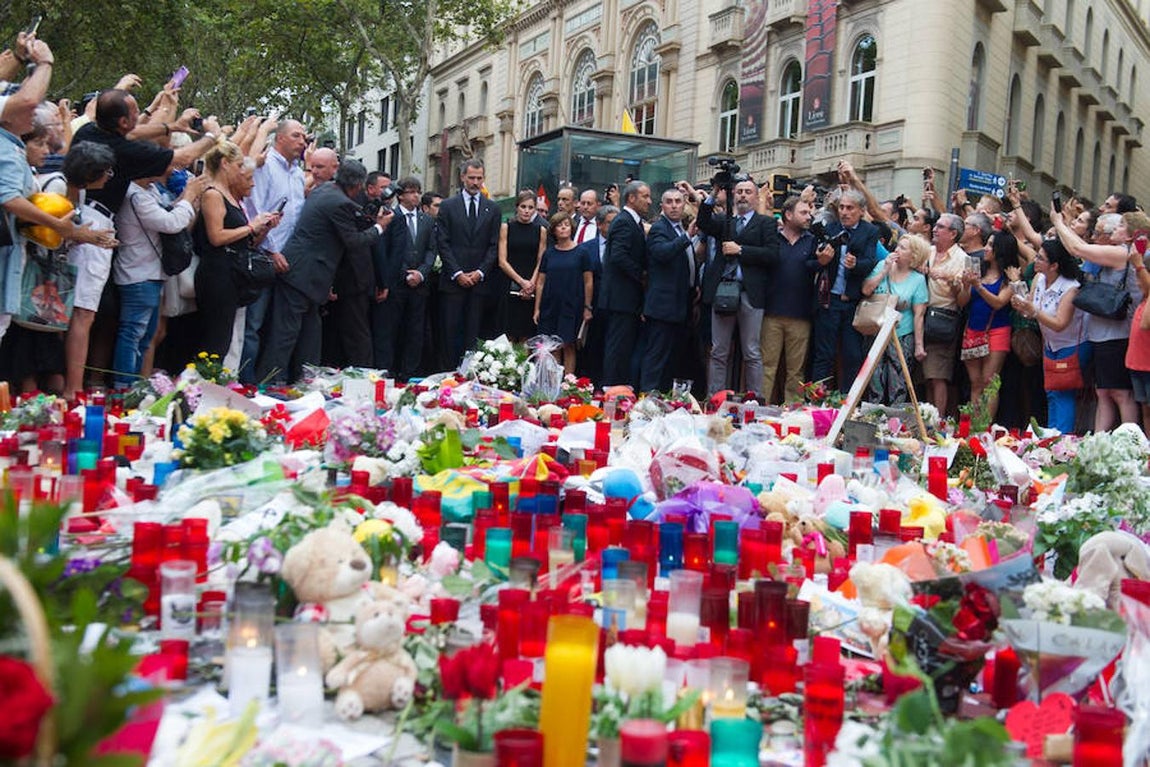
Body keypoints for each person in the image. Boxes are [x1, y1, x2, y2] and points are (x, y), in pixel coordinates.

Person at [257, 159, 390, 383]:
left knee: (310, 335)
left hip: (310, 275)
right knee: (285, 335)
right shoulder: (339, 202)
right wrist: (380, 227)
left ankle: (307, 381)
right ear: (358, 185)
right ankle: (268, 383)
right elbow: (353, 241)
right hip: (302, 273)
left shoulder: (324, 190)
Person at [1052, 207, 1150, 431]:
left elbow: (1078, 249)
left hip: (1117, 334)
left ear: (1132, 234)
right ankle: (1099, 438)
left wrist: (1058, 222)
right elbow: (1081, 247)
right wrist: (1065, 227)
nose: (1115, 228)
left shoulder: (1123, 253)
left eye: (1122, 225)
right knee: (1104, 392)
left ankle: (1129, 439)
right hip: (1104, 333)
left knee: (1120, 394)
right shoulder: (1119, 251)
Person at [112, 168, 207, 388]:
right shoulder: (135, 195)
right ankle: (123, 386)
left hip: (152, 273)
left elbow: (168, 212)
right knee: (133, 333)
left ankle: (136, 387)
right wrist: (189, 196)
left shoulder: (149, 190)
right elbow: (170, 223)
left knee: (146, 336)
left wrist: (186, 199)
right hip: (138, 273)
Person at [194, 142, 281, 359]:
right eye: (239, 165)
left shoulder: (230, 195)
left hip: (232, 271)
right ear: (225, 164)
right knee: (215, 339)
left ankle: (213, 377)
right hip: (216, 272)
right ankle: (204, 378)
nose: (242, 171)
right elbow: (216, 236)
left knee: (223, 339)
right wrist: (251, 226)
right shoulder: (213, 194)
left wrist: (263, 228)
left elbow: (243, 240)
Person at [692, 177, 775, 396]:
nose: (743, 196)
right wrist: (713, 193)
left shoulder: (765, 223)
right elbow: (703, 222)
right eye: (739, 192)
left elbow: (773, 254)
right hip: (723, 291)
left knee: (751, 351)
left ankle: (754, 399)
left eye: (748, 192)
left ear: (756, 197)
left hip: (750, 293)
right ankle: (715, 398)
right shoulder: (724, 221)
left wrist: (741, 250)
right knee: (718, 350)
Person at [239, 118, 307, 383]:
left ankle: (271, 381)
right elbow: (254, 209)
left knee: (278, 327)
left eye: (304, 137)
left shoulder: (298, 173)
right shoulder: (265, 165)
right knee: (253, 325)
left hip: (291, 261)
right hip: (262, 256)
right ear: (279, 138)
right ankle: (245, 382)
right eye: (296, 136)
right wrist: (271, 250)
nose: (302, 142)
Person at [808, 189, 878, 390]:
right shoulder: (828, 229)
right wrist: (822, 262)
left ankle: (848, 401)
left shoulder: (869, 231)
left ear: (861, 211)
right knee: (824, 354)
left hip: (852, 303)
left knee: (852, 355)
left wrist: (855, 264)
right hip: (827, 301)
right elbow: (809, 263)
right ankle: (817, 399)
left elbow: (870, 262)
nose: (845, 212)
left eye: (850, 208)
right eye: (841, 207)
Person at [1011, 238, 1083, 433]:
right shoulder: (1040, 279)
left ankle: (1063, 438)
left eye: (1041, 258)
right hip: (1049, 344)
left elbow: (1059, 323)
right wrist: (1022, 307)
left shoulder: (1070, 288)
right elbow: (1032, 308)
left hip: (1070, 345)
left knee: (1063, 392)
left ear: (1054, 265)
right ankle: (1051, 436)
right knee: (1051, 391)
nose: (1035, 261)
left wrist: (1033, 311)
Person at [436, 159, 501, 366]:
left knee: (473, 334)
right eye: (471, 178)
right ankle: (448, 374)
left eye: (479, 178)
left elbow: (494, 245)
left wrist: (480, 272)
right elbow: (442, 242)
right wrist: (457, 273)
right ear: (462, 177)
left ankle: (469, 373)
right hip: (453, 282)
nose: (475, 182)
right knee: (449, 332)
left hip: (479, 283)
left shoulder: (493, 208)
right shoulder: (448, 206)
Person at [374, 175, 436, 380]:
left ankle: (410, 371)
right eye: (411, 192)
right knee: (392, 328)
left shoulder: (427, 220)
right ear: (400, 195)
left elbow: (431, 250)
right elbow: (389, 250)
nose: (416, 196)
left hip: (420, 285)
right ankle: (390, 370)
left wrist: (422, 272)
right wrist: (404, 273)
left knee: (415, 330)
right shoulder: (390, 217)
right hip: (396, 283)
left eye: (418, 192)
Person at [860, 234, 930, 404]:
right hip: (876, 332)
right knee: (874, 378)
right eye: (897, 246)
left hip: (901, 335)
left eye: (903, 248)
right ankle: (873, 413)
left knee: (898, 382)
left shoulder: (918, 279)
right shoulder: (881, 266)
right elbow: (866, 290)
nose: (897, 250)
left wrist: (919, 345)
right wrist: (884, 270)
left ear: (914, 255)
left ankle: (895, 416)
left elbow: (919, 315)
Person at [639, 187, 696, 393]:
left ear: (684, 204)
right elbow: (662, 253)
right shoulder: (659, 228)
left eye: (678, 201)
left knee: (671, 358)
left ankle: (662, 397)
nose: (674, 206)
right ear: (662, 206)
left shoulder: (680, 229)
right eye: (669, 202)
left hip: (681, 303)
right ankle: (647, 396)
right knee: (656, 355)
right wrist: (687, 236)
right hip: (662, 306)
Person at [763, 195, 816, 402]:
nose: (808, 216)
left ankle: (793, 410)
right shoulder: (772, 239)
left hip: (801, 314)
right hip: (771, 312)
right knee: (767, 366)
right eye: (803, 212)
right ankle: (760, 406)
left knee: (796, 370)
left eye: (809, 212)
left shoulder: (812, 241)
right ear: (788, 215)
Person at [959, 232, 1018, 419]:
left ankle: (985, 426)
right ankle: (973, 426)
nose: (986, 248)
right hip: (973, 328)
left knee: (989, 381)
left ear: (1001, 250)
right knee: (975, 382)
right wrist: (965, 285)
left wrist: (978, 286)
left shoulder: (1010, 276)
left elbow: (999, 302)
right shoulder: (979, 270)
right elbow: (962, 302)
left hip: (997, 329)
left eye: (991, 245)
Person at [599, 179, 650, 388]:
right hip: (620, 297)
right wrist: (642, 275)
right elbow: (619, 256)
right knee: (617, 347)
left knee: (624, 347)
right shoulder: (623, 221)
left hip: (627, 298)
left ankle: (619, 388)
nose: (649, 201)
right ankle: (611, 388)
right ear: (631, 198)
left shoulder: (634, 222)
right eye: (645, 196)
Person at [922, 213, 970, 417]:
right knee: (925, 376)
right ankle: (925, 418)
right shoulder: (928, 251)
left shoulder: (962, 259)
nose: (934, 229)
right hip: (920, 316)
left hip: (942, 318)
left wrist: (951, 280)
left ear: (953, 234)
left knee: (938, 375)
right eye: (936, 225)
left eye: (941, 227)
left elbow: (963, 299)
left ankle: (938, 421)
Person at [533, 213, 593, 374]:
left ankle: (568, 382)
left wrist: (587, 307)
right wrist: (537, 308)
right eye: (560, 225)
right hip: (550, 304)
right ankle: (553, 381)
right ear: (553, 230)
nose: (564, 227)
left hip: (572, 305)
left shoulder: (582, 252)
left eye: (567, 224)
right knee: (551, 346)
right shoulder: (549, 253)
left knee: (568, 344)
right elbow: (541, 282)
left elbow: (588, 281)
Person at [498, 190, 545, 342]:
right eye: (523, 207)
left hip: (531, 287)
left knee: (527, 335)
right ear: (517, 207)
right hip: (509, 284)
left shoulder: (541, 231)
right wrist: (521, 282)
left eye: (531, 207)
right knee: (508, 334)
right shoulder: (506, 228)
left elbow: (541, 260)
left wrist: (531, 283)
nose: (526, 211)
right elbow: (502, 261)